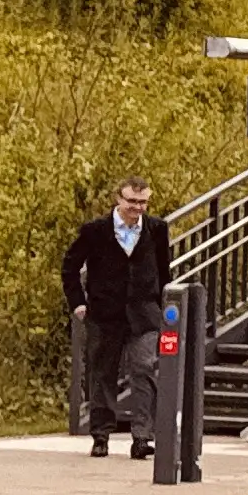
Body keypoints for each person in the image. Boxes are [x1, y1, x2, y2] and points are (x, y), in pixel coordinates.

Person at [60, 178, 173, 459]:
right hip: (104, 314)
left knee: (144, 369)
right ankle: (101, 435)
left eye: (142, 202)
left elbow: (163, 270)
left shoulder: (157, 229)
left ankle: (142, 436)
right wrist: (78, 304)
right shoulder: (95, 231)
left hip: (144, 314)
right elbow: (70, 268)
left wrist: (161, 306)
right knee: (102, 374)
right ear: (118, 200)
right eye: (132, 202)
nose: (137, 208)